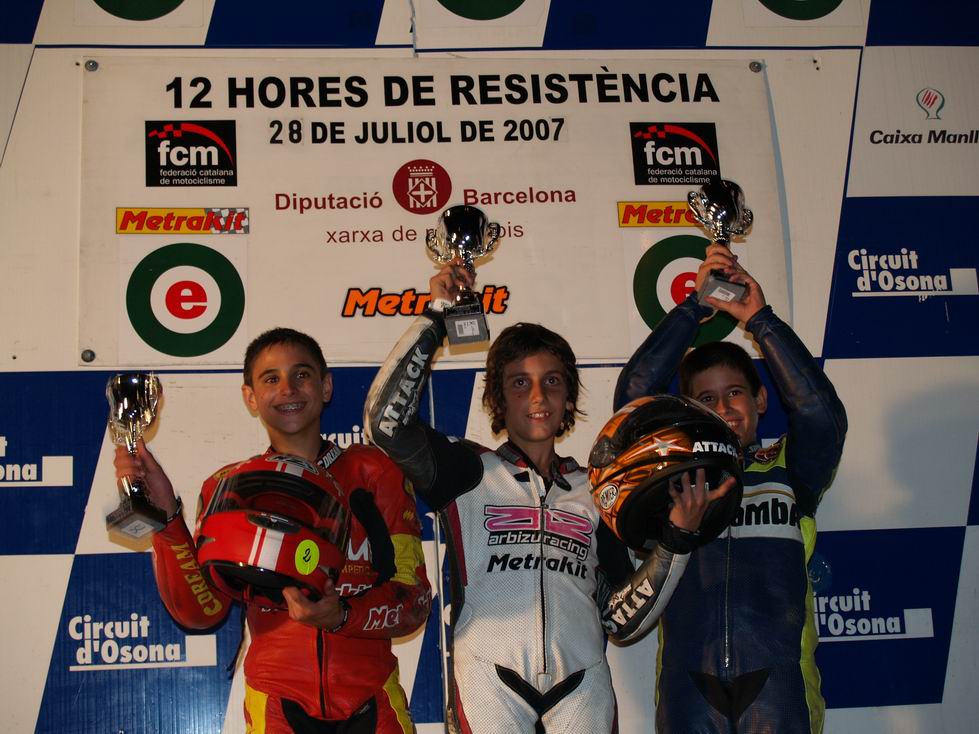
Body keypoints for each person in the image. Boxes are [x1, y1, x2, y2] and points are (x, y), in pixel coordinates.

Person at [363, 261, 735, 733]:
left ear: (569, 397)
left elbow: (620, 621)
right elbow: (385, 423)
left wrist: (676, 542)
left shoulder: (598, 490)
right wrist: (436, 315)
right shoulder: (466, 470)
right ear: (499, 400)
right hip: (487, 677)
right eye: (520, 382)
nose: (538, 396)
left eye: (552, 381)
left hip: (582, 683)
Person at [113, 328, 432, 734]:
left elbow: (413, 601)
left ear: (326, 386)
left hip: (374, 702)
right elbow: (202, 612)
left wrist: (342, 615)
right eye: (271, 379)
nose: (288, 389)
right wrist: (166, 519)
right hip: (276, 708)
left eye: (302, 374)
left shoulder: (374, 471)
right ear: (250, 397)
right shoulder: (228, 487)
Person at [615, 244, 848, 733]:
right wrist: (694, 308)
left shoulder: (790, 470)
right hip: (687, 692)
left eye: (735, 393)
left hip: (781, 689)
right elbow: (633, 401)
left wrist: (760, 320)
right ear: (688, 407)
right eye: (706, 398)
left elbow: (821, 416)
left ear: (761, 399)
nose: (723, 408)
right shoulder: (671, 479)